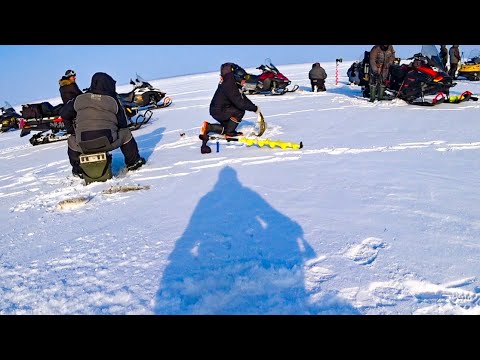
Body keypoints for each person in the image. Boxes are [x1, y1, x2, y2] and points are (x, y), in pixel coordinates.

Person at [60, 72, 145, 178]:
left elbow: (64, 114)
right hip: (107, 141)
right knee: (126, 133)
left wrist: (72, 131)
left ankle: (78, 170)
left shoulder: (79, 99)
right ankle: (133, 162)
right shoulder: (113, 101)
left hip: (83, 143)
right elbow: (123, 124)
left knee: (72, 140)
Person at [199, 62, 260, 154]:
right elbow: (240, 103)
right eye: (243, 79)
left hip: (218, 109)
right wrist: (254, 109)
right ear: (238, 77)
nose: (244, 82)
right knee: (240, 111)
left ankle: (209, 127)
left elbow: (242, 98)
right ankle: (230, 132)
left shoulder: (231, 82)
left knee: (226, 127)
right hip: (219, 111)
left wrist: (254, 107)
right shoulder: (230, 86)